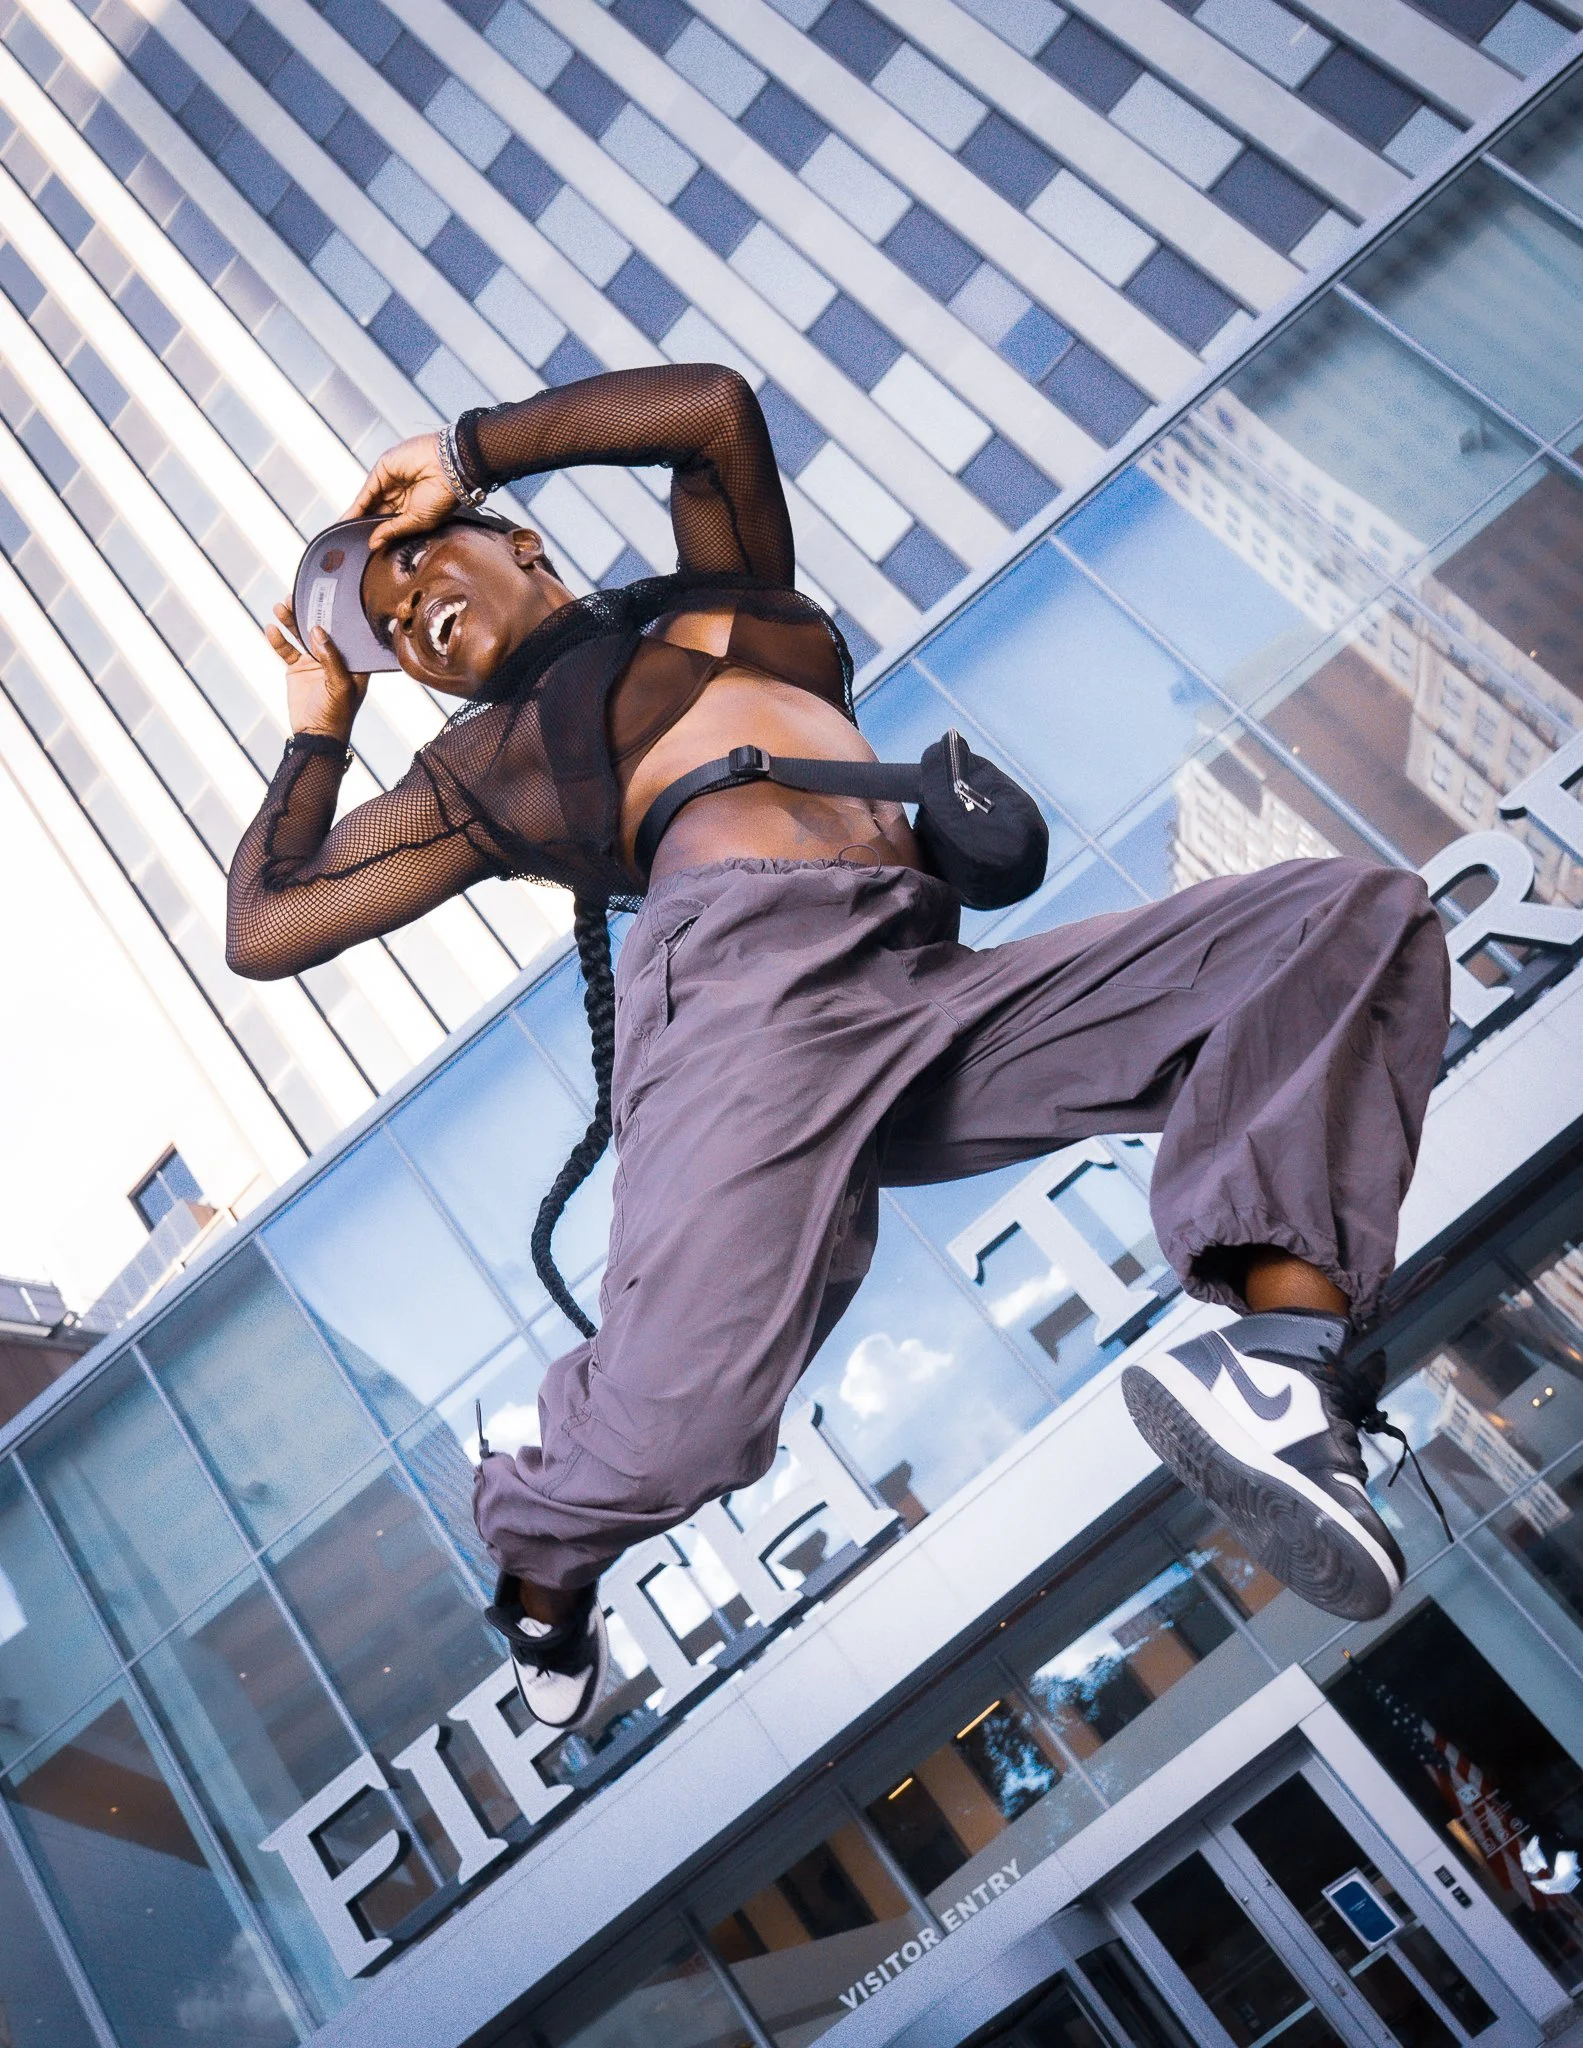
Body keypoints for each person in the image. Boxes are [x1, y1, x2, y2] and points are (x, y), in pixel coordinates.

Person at [226, 364, 1452, 1734]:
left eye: (410, 569)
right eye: (393, 637)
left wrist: (463, 451)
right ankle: (541, 1569)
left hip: (921, 991)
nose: (411, 620)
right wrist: (322, 726)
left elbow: (711, 416)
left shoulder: (732, 609)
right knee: (683, 1432)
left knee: (1345, 922)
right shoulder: (484, 769)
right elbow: (267, 924)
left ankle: (1278, 1366)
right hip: (746, 1005)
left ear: (516, 539)